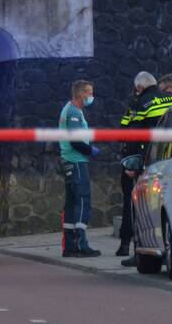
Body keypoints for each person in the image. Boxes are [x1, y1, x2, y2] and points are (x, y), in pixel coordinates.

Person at [117, 71, 172, 266]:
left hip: (148, 161)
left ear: (139, 88)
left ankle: (139, 249)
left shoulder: (140, 104)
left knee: (139, 207)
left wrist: (131, 163)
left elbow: (129, 134)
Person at [58, 79, 101, 258]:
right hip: (76, 160)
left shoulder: (69, 109)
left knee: (71, 202)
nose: (91, 96)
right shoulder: (74, 112)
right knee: (82, 201)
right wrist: (91, 150)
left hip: (68, 160)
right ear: (81, 94)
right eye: (89, 93)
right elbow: (76, 141)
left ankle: (69, 246)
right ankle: (81, 245)